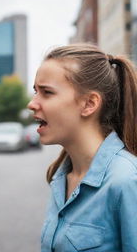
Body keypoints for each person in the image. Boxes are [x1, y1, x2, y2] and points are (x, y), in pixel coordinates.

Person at [27, 44, 137, 252]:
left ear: (89, 104)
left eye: (47, 92)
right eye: (35, 91)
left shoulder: (127, 181)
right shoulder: (61, 177)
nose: (32, 103)